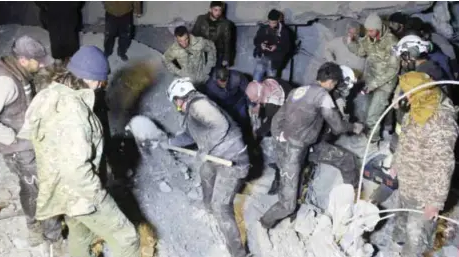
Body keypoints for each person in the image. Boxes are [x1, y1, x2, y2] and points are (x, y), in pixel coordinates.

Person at [17, 46, 141, 257]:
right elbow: (76, 170)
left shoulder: (50, 94)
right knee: (128, 239)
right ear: (92, 79)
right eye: (102, 82)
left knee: (81, 233)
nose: (101, 87)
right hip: (80, 193)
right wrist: (99, 197)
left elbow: (31, 134)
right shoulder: (74, 111)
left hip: (59, 190)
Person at [259, 62, 364, 229]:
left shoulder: (298, 91)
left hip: (307, 145)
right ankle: (264, 223)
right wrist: (353, 127)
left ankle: (349, 203)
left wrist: (280, 138)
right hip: (294, 151)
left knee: (347, 160)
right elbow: (337, 127)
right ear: (331, 82)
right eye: (335, 83)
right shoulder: (323, 96)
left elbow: (278, 119)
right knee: (288, 205)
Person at [167, 77, 250, 257]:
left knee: (221, 207)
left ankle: (239, 253)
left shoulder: (199, 105)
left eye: (175, 101)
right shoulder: (191, 111)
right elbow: (189, 136)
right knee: (205, 171)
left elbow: (221, 125)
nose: (176, 106)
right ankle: (207, 207)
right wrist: (168, 142)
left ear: (180, 97)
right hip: (217, 156)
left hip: (232, 158)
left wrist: (205, 147)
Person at [0, 35, 61, 248]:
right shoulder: (5, 82)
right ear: (23, 60)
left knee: (30, 186)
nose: (40, 63)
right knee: (44, 189)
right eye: (36, 60)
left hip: (26, 145)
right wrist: (10, 137)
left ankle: (36, 226)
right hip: (19, 149)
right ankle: (49, 234)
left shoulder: (18, 72)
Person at [389, 71, 458, 257]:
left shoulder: (441, 122)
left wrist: (434, 202)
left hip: (424, 192)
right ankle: (397, 244)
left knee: (416, 235)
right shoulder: (416, 109)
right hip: (407, 182)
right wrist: (396, 164)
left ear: (421, 93)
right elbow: (404, 141)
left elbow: (443, 165)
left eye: (408, 93)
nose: (405, 97)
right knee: (401, 218)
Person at [347, 12, 400, 144]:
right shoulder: (367, 38)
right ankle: (371, 135)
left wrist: (373, 85)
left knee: (372, 117)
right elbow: (361, 52)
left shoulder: (392, 42)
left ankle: (373, 142)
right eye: (367, 30)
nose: (369, 33)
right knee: (365, 111)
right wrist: (351, 43)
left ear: (379, 28)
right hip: (370, 80)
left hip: (385, 83)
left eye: (371, 30)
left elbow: (393, 70)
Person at [252, 9, 291, 82]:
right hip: (263, 57)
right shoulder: (263, 28)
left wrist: (276, 47)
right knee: (256, 77)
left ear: (278, 20)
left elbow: (287, 47)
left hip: (274, 61)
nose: (271, 25)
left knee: (271, 82)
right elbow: (256, 40)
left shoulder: (284, 31)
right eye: (270, 22)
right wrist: (261, 45)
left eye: (273, 23)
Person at [192, 1, 233, 67]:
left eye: (220, 10)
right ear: (210, 9)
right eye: (215, 10)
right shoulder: (201, 19)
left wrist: (226, 58)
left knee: (217, 75)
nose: (218, 13)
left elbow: (227, 42)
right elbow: (194, 36)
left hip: (218, 53)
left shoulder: (226, 24)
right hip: (202, 53)